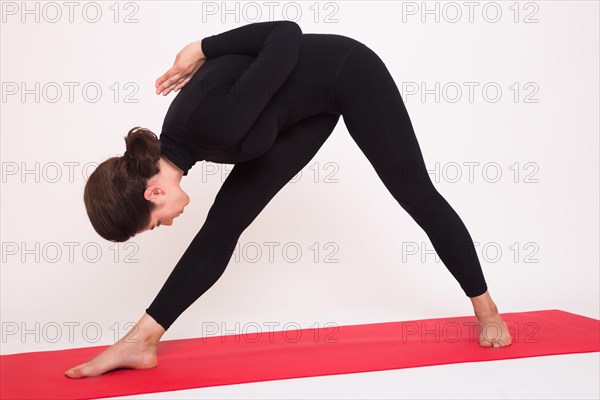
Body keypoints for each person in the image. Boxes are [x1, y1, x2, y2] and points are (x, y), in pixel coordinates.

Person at [65, 20, 512, 379]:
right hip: (295, 114)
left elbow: (285, 34)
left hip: (346, 72)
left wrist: (201, 45)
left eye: (156, 221)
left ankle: (486, 310)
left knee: (414, 191)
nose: (167, 224)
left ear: (154, 191)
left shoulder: (209, 127)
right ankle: (142, 340)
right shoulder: (187, 137)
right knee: (222, 229)